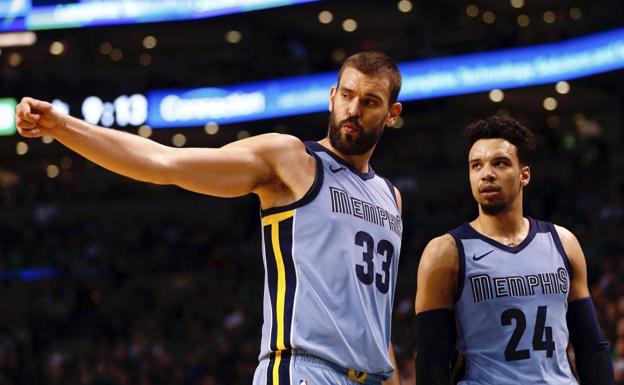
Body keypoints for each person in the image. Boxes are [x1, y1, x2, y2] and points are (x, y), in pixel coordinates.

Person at [15, 51, 404, 385]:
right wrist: (62, 126)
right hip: (304, 369)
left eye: (370, 102)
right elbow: (164, 162)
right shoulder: (292, 160)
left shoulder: (391, 198)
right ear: (332, 97)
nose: (353, 110)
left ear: (391, 114)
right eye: (348, 96)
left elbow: (377, 319)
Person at [414, 116, 615, 384]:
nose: (486, 173)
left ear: (524, 175)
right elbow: (431, 362)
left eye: (500, 163)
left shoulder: (563, 242)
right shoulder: (446, 251)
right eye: (476, 165)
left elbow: (590, 347)